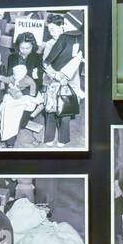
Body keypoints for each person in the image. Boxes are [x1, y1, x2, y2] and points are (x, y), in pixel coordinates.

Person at [40, 14, 84, 147]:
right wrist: (57, 76)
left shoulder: (74, 40)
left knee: (65, 110)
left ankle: (63, 139)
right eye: (49, 30)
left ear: (62, 27)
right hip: (53, 80)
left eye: (53, 29)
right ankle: (49, 137)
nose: (51, 32)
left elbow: (77, 65)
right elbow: (45, 64)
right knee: (51, 110)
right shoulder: (49, 44)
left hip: (69, 82)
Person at [0, 61, 39, 148]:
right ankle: (4, 134)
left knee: (14, 120)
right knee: (4, 111)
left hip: (22, 100)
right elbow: (6, 79)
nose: (14, 76)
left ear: (23, 74)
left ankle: (10, 141)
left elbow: (32, 93)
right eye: (14, 74)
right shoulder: (13, 77)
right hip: (10, 98)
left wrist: (25, 94)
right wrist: (0, 76)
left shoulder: (29, 80)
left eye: (17, 74)